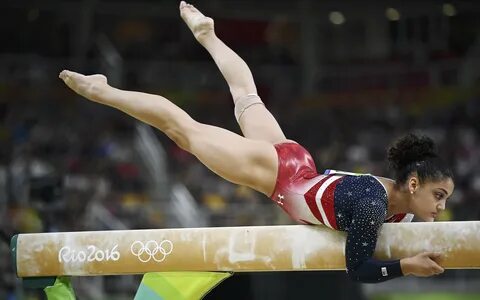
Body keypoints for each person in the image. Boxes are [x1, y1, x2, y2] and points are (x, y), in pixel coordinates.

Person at [59, 1, 455, 283]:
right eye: (439, 195)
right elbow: (358, 270)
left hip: (299, 164)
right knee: (184, 131)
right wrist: (407, 266)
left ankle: (209, 36)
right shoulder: (375, 205)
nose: (441, 206)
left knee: (246, 96)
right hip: (281, 176)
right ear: (414, 184)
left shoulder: (397, 208)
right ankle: (104, 91)